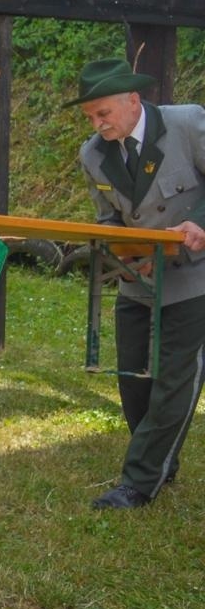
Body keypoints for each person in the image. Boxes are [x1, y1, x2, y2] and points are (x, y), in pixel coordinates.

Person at [67, 56, 205, 510]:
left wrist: (199, 223)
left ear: (133, 99)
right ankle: (160, 461)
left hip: (194, 280)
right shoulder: (93, 154)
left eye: (102, 113)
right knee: (133, 380)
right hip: (137, 283)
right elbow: (108, 219)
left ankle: (138, 483)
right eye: (89, 116)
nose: (96, 123)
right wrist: (128, 258)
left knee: (173, 381)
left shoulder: (187, 124)